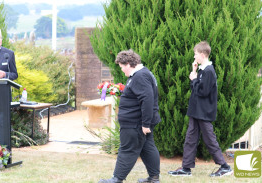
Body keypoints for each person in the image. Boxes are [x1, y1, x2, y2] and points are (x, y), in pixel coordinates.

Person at [168, 41, 233, 177]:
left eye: (195, 54)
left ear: (203, 55)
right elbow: (195, 90)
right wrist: (194, 73)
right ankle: (186, 168)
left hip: (203, 112)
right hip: (196, 112)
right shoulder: (202, 70)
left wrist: (194, 79)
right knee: (190, 139)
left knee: (209, 139)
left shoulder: (209, 71)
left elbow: (203, 92)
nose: (194, 57)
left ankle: (225, 166)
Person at [98, 49, 161, 183]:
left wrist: (145, 124)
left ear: (127, 63)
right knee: (147, 147)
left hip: (135, 123)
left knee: (127, 149)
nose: (122, 70)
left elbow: (147, 100)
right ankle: (154, 178)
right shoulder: (142, 74)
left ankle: (117, 178)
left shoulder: (140, 76)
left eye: (121, 67)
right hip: (138, 122)